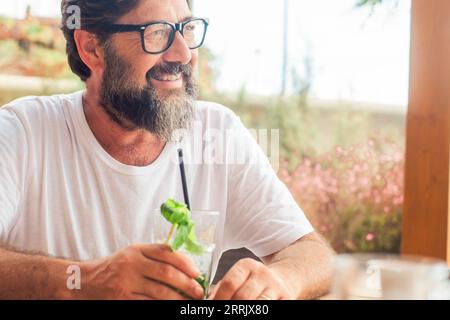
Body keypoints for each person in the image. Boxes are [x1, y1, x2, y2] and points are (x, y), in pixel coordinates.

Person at [0, 0, 334, 300]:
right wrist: (82, 280)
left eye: (187, 30)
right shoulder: (22, 132)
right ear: (92, 49)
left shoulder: (217, 133)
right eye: (157, 33)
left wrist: (282, 281)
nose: (183, 53)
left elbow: (313, 255)